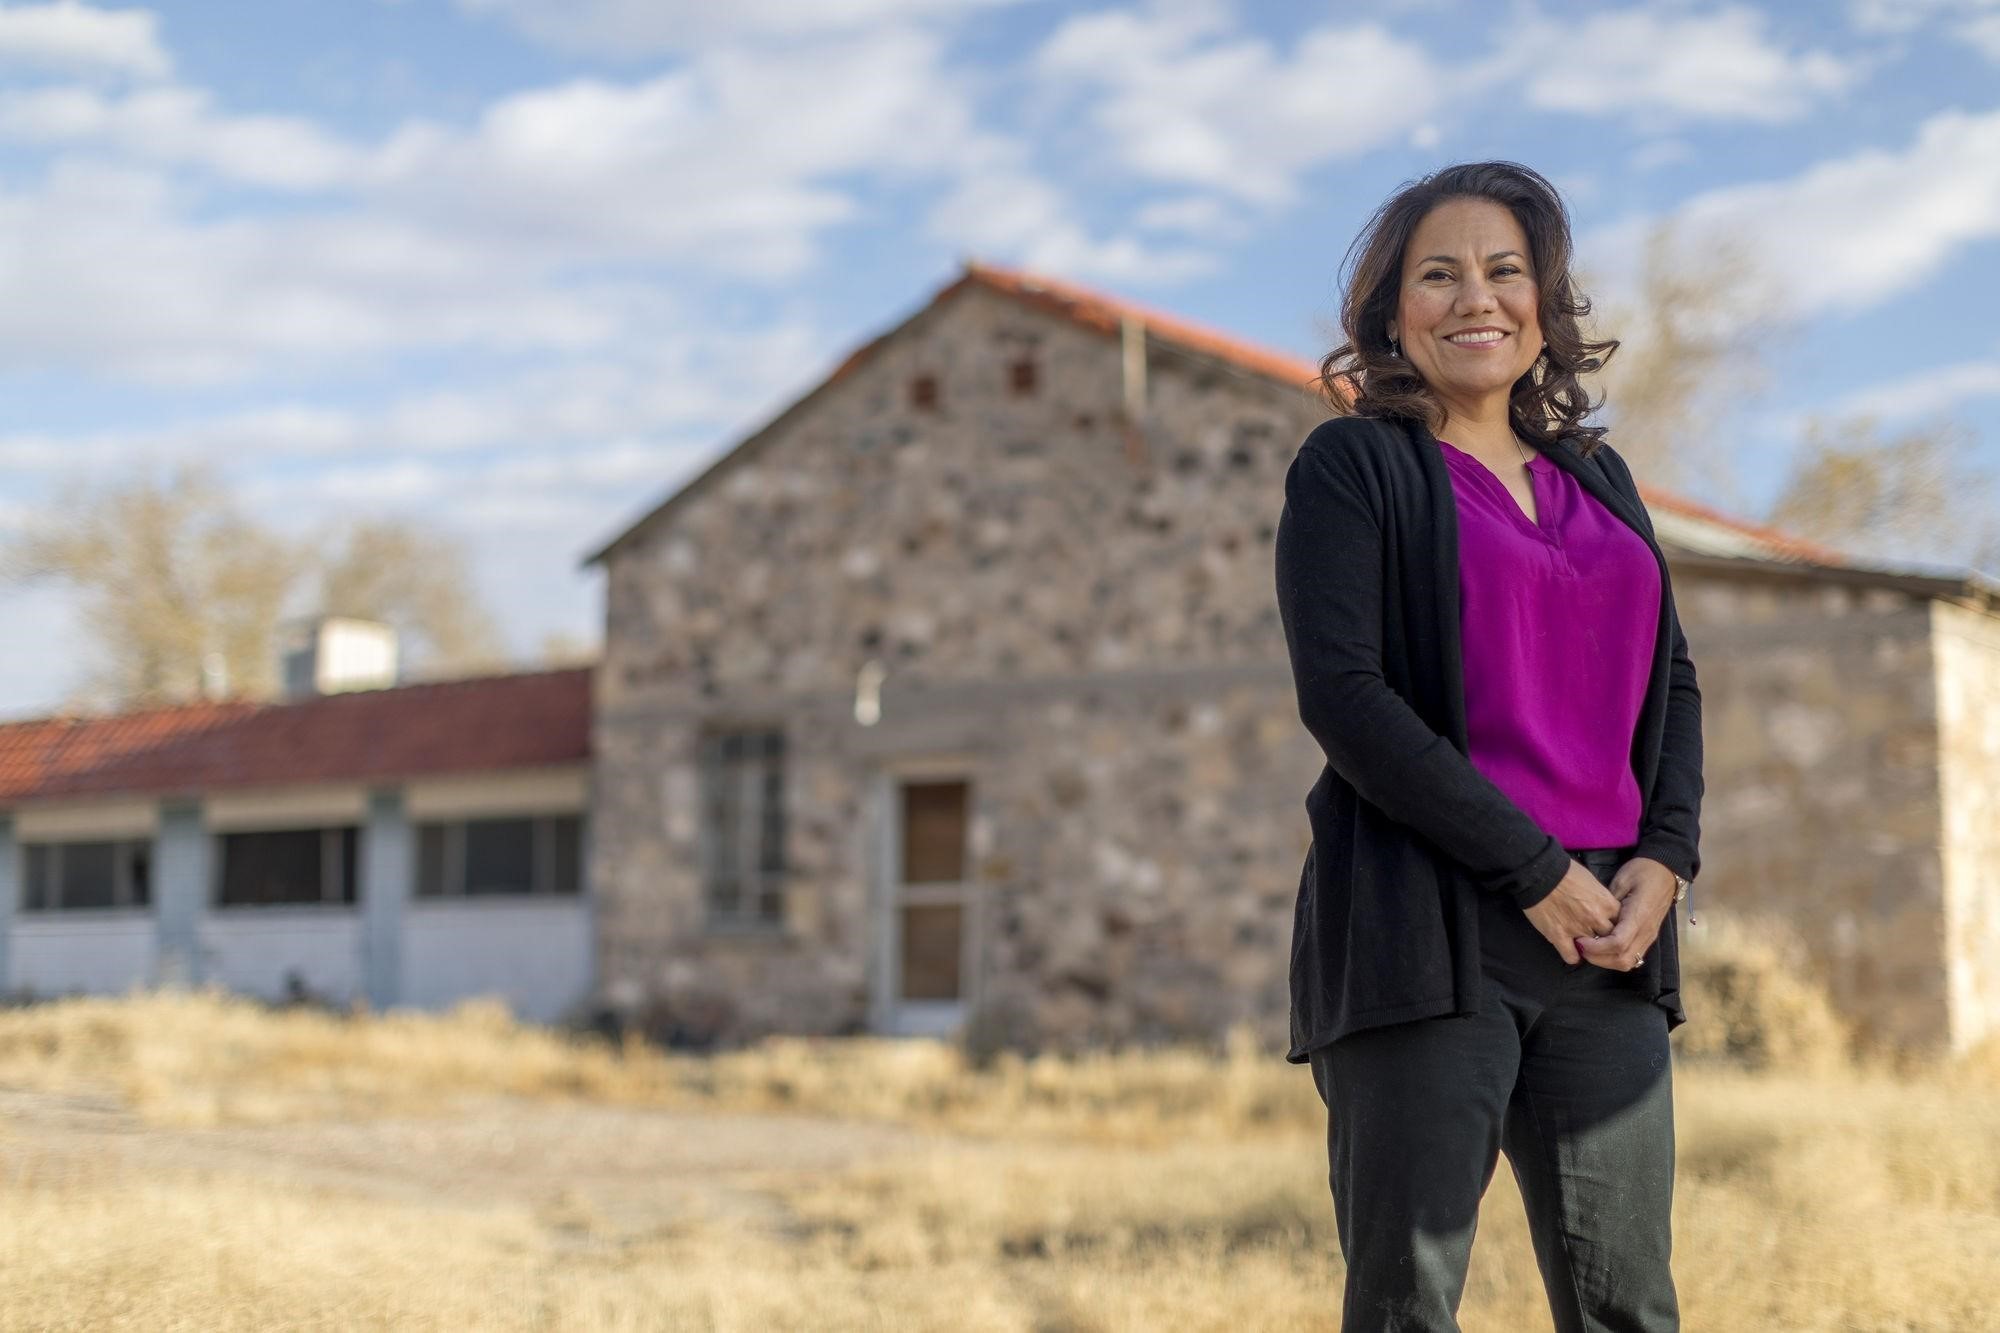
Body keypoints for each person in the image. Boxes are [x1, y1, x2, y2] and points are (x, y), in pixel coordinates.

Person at [1272, 160, 1704, 1332]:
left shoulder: (1597, 478)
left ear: (1542, 301)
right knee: (1406, 1306)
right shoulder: (1353, 465)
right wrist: (1531, 872)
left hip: (1609, 934)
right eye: (1439, 273)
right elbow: (1347, 698)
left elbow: (1668, 676)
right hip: (1428, 932)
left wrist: (1663, 859)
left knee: (1631, 1309)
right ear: (1391, 313)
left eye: (1504, 270)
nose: (1477, 297)